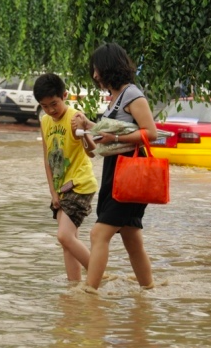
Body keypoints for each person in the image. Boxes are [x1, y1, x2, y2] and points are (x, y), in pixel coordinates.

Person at [72, 42, 158, 293]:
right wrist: (87, 125)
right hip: (116, 171)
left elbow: (150, 133)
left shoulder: (133, 95)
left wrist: (116, 138)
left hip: (131, 172)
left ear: (109, 67)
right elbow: (106, 136)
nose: (95, 75)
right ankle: (149, 292)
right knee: (132, 239)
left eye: (97, 69)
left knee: (98, 234)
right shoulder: (116, 98)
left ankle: (89, 293)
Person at [33, 73, 99, 282]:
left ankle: (100, 274)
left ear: (65, 95)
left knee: (64, 236)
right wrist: (53, 191)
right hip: (61, 189)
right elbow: (47, 159)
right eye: (44, 106)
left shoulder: (75, 116)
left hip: (81, 184)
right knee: (68, 242)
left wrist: (82, 132)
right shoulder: (45, 122)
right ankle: (74, 288)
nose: (51, 110)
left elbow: (92, 151)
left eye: (54, 104)